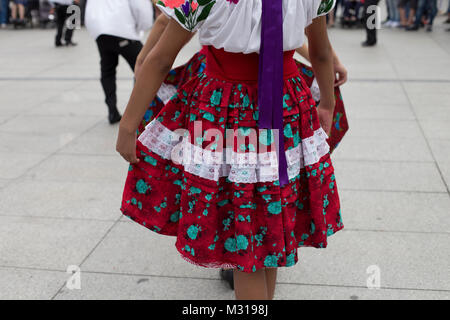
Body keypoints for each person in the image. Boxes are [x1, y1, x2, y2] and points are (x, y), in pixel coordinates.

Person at [117, 0, 343, 300]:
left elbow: (160, 59)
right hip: (287, 104)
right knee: (266, 224)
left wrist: (128, 126)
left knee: (243, 238)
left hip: (226, 108)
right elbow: (321, 53)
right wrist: (327, 102)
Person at [85, 0, 153, 124]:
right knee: (145, 69)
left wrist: (96, 31)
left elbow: (89, 9)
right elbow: (141, 8)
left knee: (107, 71)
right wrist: (141, 27)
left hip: (101, 31)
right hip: (124, 31)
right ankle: (141, 112)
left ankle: (112, 111)